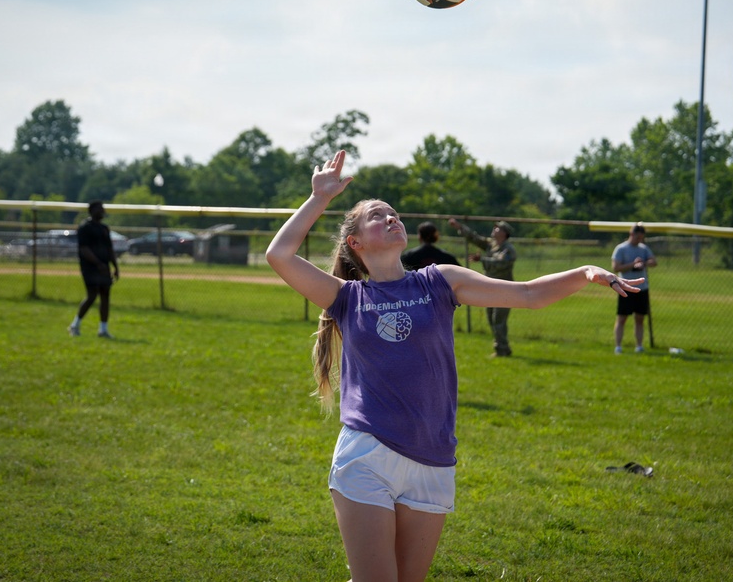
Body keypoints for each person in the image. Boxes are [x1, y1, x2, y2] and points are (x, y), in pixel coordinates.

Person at [265, 151, 640, 582]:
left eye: (394, 215)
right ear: (356, 243)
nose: (392, 219)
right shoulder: (347, 297)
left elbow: (529, 295)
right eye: (377, 216)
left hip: (434, 459)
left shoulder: (439, 280)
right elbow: (280, 256)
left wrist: (586, 272)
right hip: (368, 455)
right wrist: (317, 199)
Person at [447, 217, 517, 357]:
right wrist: (459, 227)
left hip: (504, 290)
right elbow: (474, 238)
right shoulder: (492, 245)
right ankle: (502, 348)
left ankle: (502, 349)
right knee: (492, 318)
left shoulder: (508, 249)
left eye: (497, 228)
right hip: (491, 288)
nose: (494, 229)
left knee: (498, 320)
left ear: (504, 233)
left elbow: (501, 264)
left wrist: (482, 259)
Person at [68, 201, 119, 338]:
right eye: (100, 209)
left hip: (104, 266)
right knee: (92, 296)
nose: (103, 211)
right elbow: (84, 249)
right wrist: (98, 264)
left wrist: (115, 266)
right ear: (92, 210)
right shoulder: (85, 227)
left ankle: (103, 330)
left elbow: (109, 249)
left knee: (105, 296)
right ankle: (75, 325)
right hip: (90, 267)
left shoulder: (104, 228)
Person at [611, 222, 658, 354]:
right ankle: (618, 347)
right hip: (625, 288)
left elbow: (654, 262)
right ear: (631, 234)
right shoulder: (621, 249)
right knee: (622, 318)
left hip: (642, 289)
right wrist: (633, 264)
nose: (639, 240)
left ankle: (639, 346)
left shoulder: (643, 248)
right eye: (638, 237)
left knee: (640, 318)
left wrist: (644, 263)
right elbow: (616, 267)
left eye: (641, 238)